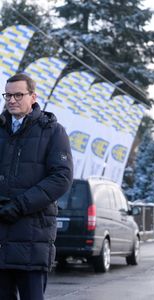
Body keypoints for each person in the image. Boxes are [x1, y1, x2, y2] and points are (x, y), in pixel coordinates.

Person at [0, 73, 73, 300]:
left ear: (33, 96)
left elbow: (61, 177)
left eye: (18, 95)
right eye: (7, 95)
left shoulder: (52, 131)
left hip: (33, 236)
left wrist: (19, 205)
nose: (11, 100)